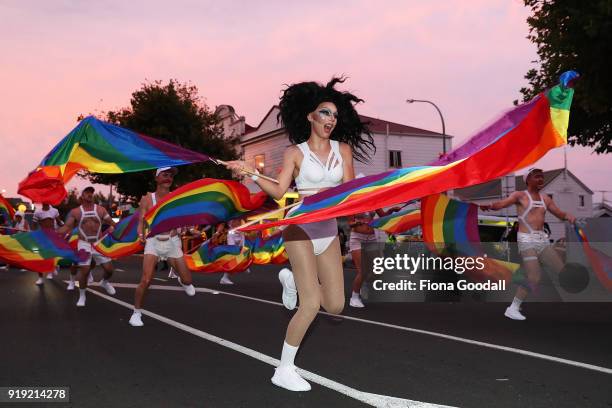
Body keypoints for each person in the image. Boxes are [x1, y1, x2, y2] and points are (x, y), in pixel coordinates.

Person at [224, 77, 374, 391]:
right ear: (309, 116)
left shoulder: (342, 150)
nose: (330, 120)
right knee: (311, 304)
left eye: (334, 115)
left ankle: (290, 279)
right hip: (300, 228)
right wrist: (250, 172)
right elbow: (280, 192)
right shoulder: (295, 153)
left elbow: (347, 192)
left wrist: (371, 194)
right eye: (324, 113)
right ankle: (284, 369)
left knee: (335, 305)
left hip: (328, 231)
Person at [480, 168, 576, 320]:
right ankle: (513, 308)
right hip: (526, 239)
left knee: (561, 271)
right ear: (528, 179)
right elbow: (503, 203)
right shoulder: (519, 195)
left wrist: (568, 216)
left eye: (542, 177)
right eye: (537, 176)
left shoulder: (546, 199)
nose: (541, 179)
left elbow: (559, 214)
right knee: (534, 277)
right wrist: (491, 205)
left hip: (542, 240)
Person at [129, 167, 196, 327]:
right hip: (153, 242)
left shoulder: (176, 197)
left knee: (188, 281)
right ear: (157, 178)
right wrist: (141, 235)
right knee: (146, 280)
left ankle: (182, 280)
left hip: (172, 242)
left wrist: (185, 228)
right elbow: (141, 222)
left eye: (171, 176)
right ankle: (136, 313)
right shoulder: (147, 198)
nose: (168, 178)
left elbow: (181, 218)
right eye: (165, 175)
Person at [58, 187, 117, 305]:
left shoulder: (100, 210)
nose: (90, 194)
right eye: (87, 192)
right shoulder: (76, 212)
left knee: (109, 270)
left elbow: (112, 223)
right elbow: (67, 227)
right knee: (84, 271)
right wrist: (55, 233)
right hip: (84, 244)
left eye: (91, 192)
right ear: (82, 197)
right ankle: (82, 295)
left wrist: (115, 227)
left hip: (98, 243)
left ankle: (104, 282)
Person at [347, 205, 400, 308]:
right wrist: (358, 223)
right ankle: (354, 298)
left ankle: (364, 283)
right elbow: (350, 223)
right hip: (357, 238)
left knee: (378, 271)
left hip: (371, 238)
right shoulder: (354, 202)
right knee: (362, 271)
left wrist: (391, 210)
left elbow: (383, 216)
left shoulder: (374, 201)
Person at [32, 204, 63, 285]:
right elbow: (34, 226)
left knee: (51, 255)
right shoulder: (37, 212)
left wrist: (68, 226)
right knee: (40, 257)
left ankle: (53, 267)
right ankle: (40, 278)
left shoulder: (54, 211)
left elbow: (60, 223)